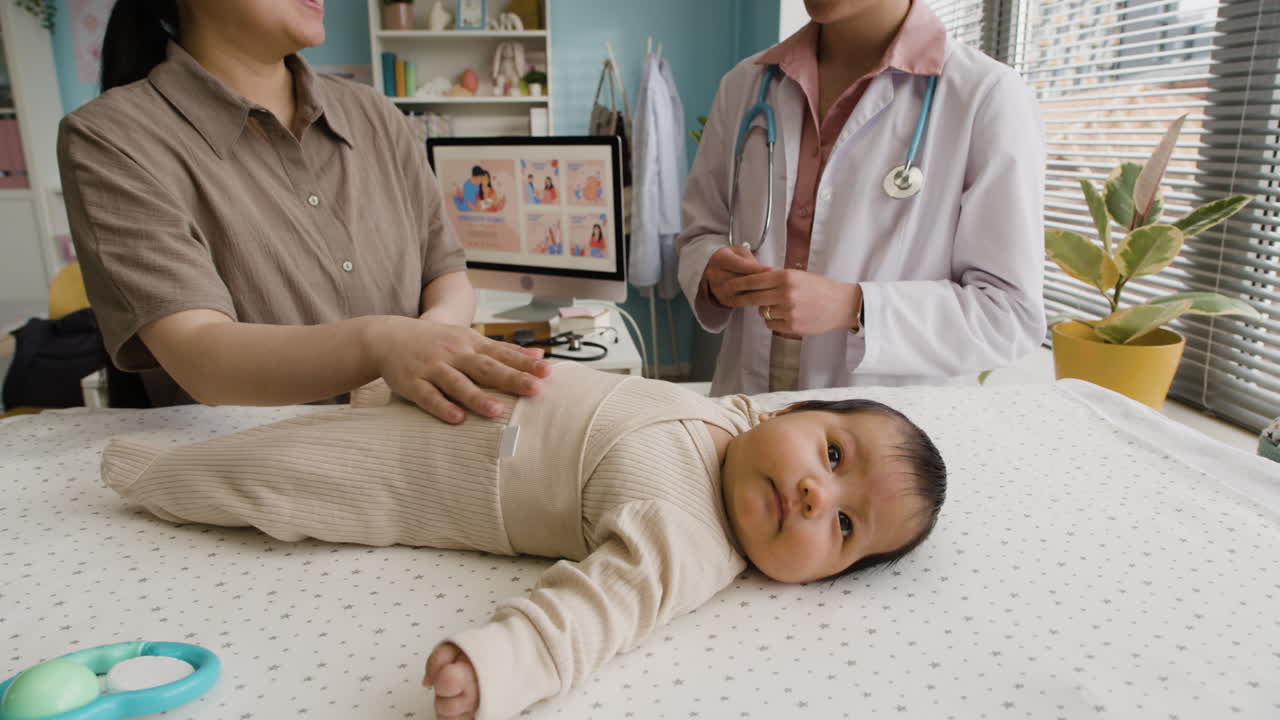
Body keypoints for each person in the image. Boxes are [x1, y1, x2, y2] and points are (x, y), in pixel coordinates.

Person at [101, 363, 946, 720]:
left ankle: (154, 479)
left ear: (821, 578)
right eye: (833, 455)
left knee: (282, 475)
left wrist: (497, 666)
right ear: (791, 411)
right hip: (465, 391)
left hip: (429, 475)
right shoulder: (733, 417)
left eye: (843, 527)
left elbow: (596, 613)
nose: (816, 494)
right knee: (348, 390)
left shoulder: (688, 542)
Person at [57, 0, 548, 421]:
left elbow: (445, 272)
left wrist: (431, 345)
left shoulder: (374, 113)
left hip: (414, 442)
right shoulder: (111, 138)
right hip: (252, 473)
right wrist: (385, 345)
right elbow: (200, 356)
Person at [678, 0, 1047, 395]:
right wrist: (712, 271)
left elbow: (1006, 313)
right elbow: (701, 233)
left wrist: (854, 307)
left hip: (884, 416)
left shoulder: (986, 95)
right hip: (745, 395)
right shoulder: (746, 84)